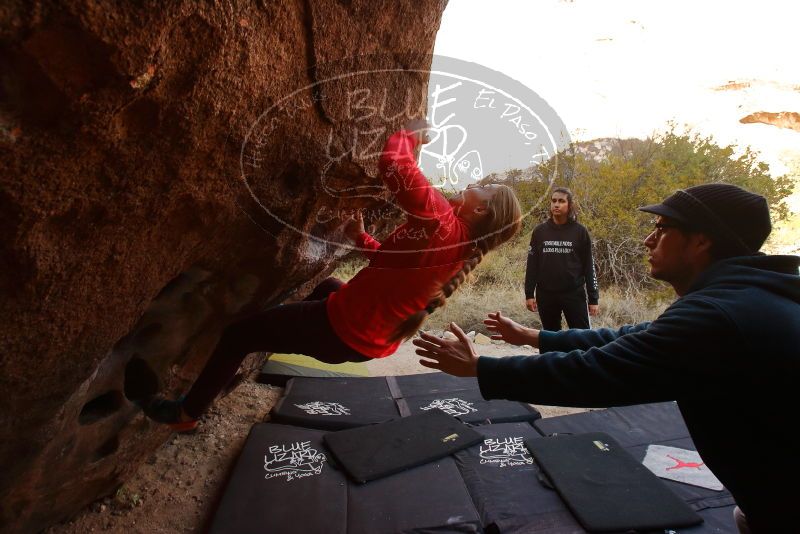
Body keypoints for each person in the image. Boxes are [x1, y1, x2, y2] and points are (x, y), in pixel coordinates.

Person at [413, 183, 800, 533]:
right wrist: (535, 337)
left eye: (663, 229)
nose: (649, 240)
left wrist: (482, 367)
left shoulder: (719, 315)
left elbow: (597, 372)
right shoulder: (742, 297)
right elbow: (629, 337)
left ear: (701, 242)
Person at [142, 119, 522, 432]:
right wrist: (361, 237)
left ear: (481, 213)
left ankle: (185, 415)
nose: (478, 183)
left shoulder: (441, 221)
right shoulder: (456, 250)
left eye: (485, 189)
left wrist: (409, 133)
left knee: (238, 334)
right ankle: (283, 332)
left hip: (341, 330)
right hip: (366, 339)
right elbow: (395, 268)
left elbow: (395, 165)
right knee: (326, 286)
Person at [525, 187, 599, 330]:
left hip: (574, 294)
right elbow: (532, 265)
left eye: (561, 201)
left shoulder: (580, 232)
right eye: (553, 201)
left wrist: (593, 298)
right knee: (550, 339)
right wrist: (529, 294)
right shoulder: (540, 232)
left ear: (569, 205)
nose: (556, 204)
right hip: (546, 295)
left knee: (582, 338)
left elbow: (589, 267)